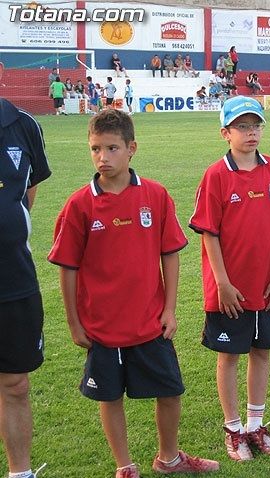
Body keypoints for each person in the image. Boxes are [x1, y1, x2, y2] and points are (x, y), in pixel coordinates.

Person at [48, 109, 219, 478]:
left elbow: (170, 254)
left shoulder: (155, 195)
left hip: (149, 322)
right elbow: (68, 268)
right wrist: (75, 325)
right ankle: (125, 467)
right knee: (110, 397)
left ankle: (169, 457)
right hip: (102, 327)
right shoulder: (79, 205)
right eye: (95, 149)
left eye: (111, 148)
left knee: (171, 392)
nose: (102, 158)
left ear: (131, 149)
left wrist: (170, 310)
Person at [189, 96, 270, 461]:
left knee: (261, 351)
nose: (251, 133)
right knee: (230, 356)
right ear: (225, 133)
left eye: (256, 126)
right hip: (230, 287)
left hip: (269, 284)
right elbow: (209, 233)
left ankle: (255, 426)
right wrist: (221, 282)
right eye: (242, 127)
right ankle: (233, 430)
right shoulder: (216, 175)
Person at [0, 61, 51, 478]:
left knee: (15, 384)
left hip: (14, 281)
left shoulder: (23, 125)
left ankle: (21, 473)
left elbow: (28, 192)